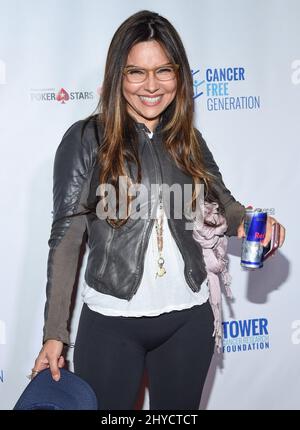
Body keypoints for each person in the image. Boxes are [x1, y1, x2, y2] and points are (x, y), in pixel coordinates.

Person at [32, 10, 285, 410]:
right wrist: (54, 334)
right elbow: (66, 240)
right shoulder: (85, 139)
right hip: (112, 321)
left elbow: (224, 205)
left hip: (189, 319)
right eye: (136, 72)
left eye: (163, 70)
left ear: (179, 76)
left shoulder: (189, 140)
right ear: (118, 76)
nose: (151, 86)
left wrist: (256, 223)